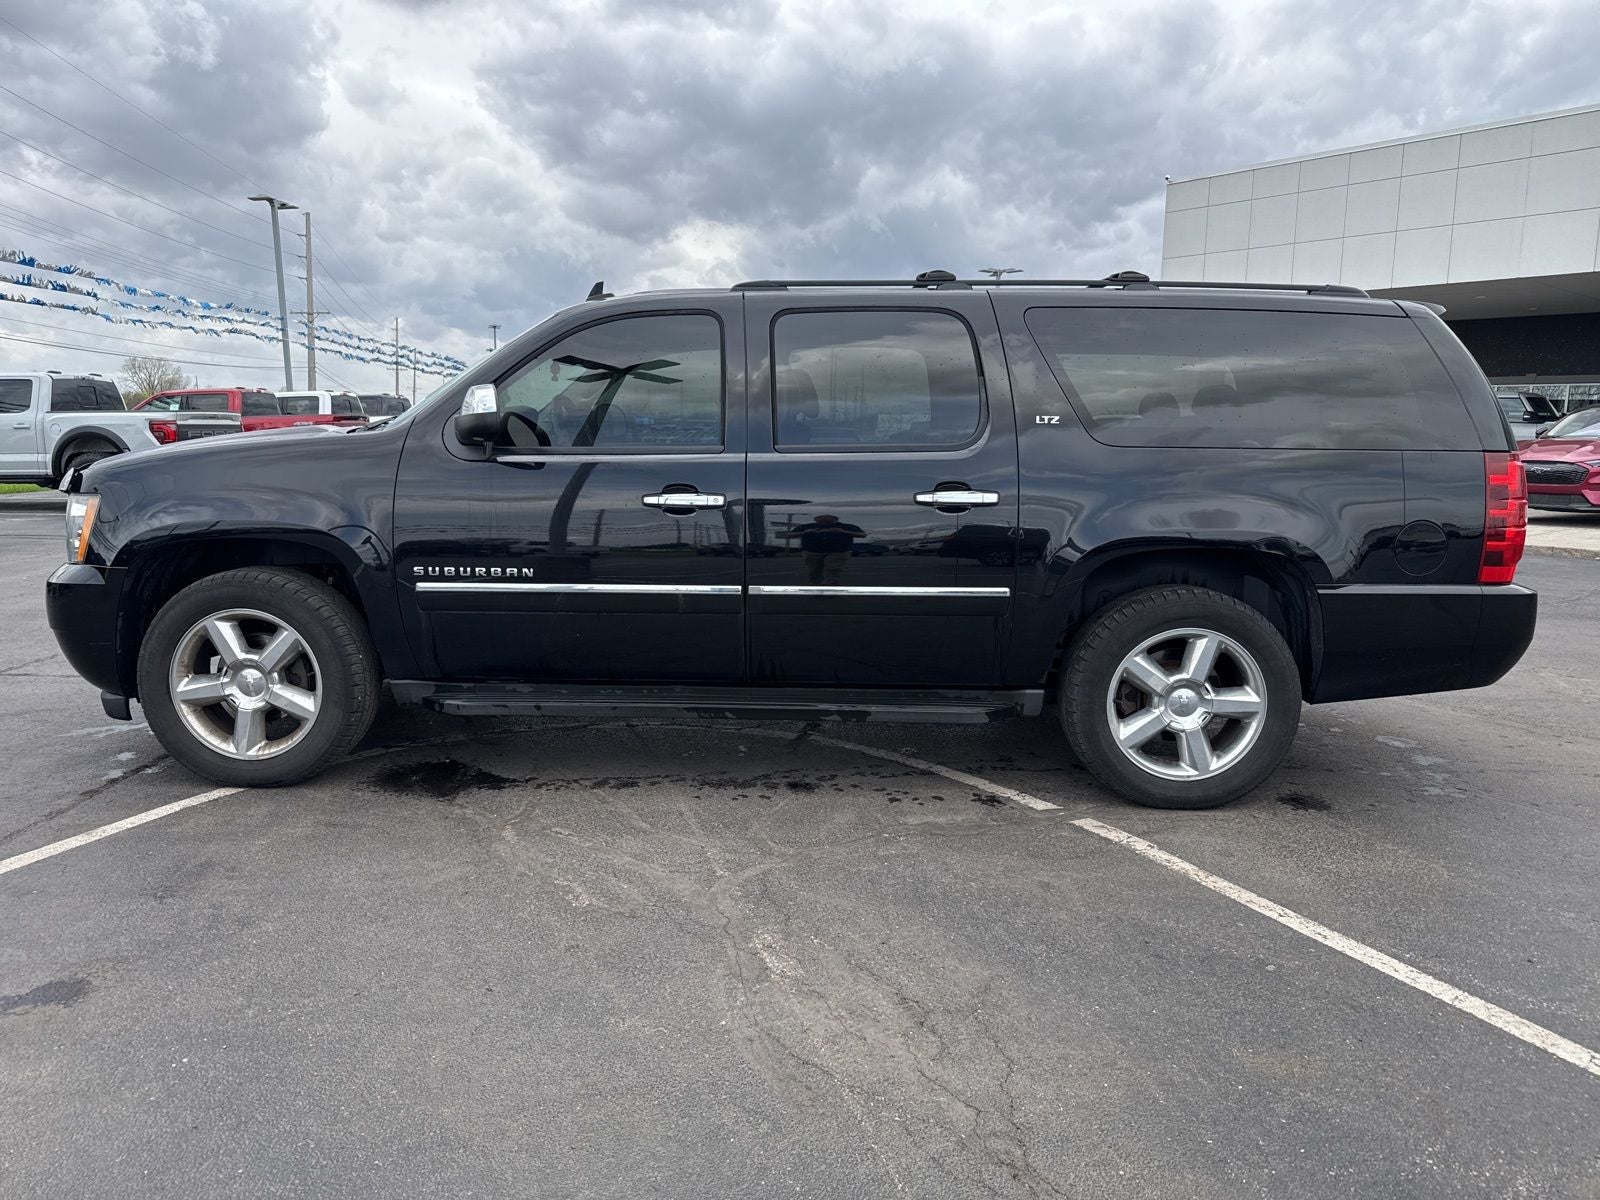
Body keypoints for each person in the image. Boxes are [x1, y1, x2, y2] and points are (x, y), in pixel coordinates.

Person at [779, 514, 866, 584]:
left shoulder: (846, 527)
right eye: (821, 522)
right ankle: (815, 585)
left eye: (828, 521)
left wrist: (842, 532)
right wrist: (805, 532)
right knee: (814, 570)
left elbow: (863, 535)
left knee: (833, 569)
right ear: (816, 521)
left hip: (838, 552)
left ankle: (830, 586)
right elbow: (789, 535)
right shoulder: (807, 527)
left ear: (836, 520)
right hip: (812, 552)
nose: (825, 523)